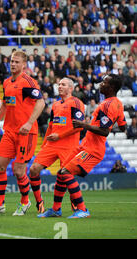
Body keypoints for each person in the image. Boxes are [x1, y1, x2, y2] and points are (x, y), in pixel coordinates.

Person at [38, 74, 127, 219]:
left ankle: (83, 209)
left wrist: (84, 125)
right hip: (85, 146)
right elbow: (123, 127)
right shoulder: (117, 103)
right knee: (61, 173)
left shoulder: (108, 105)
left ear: (111, 88)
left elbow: (104, 131)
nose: (101, 84)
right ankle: (56, 210)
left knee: (66, 172)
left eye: (104, 82)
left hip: (93, 149)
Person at [0, 51, 45, 216]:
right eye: (12, 61)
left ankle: (25, 202)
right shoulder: (6, 82)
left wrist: (29, 123)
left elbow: (41, 102)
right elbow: (5, 105)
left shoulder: (28, 82)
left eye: (17, 62)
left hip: (26, 133)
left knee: (19, 170)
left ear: (23, 65)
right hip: (9, 132)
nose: (13, 64)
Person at [28, 78, 85, 214]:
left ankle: (64, 207)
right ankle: (40, 203)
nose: (60, 86)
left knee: (64, 175)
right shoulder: (55, 104)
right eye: (59, 84)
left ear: (70, 88)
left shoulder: (76, 102)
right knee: (34, 169)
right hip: (52, 144)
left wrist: (60, 136)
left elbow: (79, 126)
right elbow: (52, 125)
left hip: (68, 145)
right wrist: (45, 144)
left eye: (63, 84)